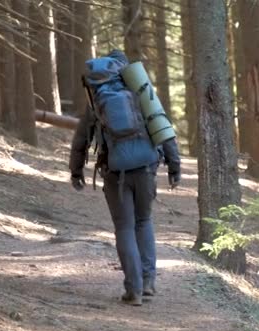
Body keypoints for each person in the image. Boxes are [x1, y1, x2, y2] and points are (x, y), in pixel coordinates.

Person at [69, 50, 181, 306]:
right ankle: (149, 281)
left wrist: (76, 171)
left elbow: (80, 142)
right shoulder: (140, 94)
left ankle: (134, 290)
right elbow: (163, 128)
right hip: (146, 168)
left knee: (124, 228)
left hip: (115, 172)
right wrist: (174, 167)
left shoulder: (96, 101)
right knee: (144, 221)